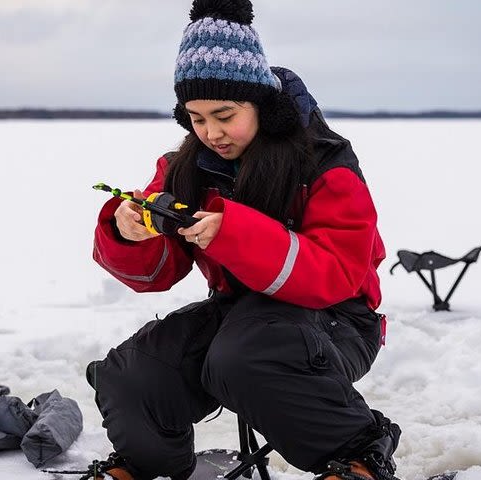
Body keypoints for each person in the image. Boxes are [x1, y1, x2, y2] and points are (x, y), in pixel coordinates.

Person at [88, 1, 401, 479]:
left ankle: (361, 455)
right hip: (238, 317)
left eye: (224, 115)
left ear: (261, 104)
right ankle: (146, 465)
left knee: (243, 355)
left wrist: (233, 235)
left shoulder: (325, 165)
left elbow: (338, 275)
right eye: (195, 117)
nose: (211, 133)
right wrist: (128, 229)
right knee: (134, 371)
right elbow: (157, 272)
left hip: (338, 322)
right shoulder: (183, 168)